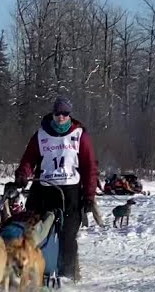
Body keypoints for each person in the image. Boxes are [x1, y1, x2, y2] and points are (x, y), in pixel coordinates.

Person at [15, 95, 98, 281]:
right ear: (52, 114)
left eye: (65, 113)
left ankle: (67, 274)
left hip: (70, 192)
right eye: (58, 113)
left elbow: (90, 166)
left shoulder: (79, 135)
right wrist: (22, 174)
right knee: (33, 230)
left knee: (67, 235)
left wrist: (89, 194)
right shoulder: (41, 135)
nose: (61, 117)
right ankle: (31, 267)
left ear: (70, 115)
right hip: (44, 190)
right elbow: (29, 159)